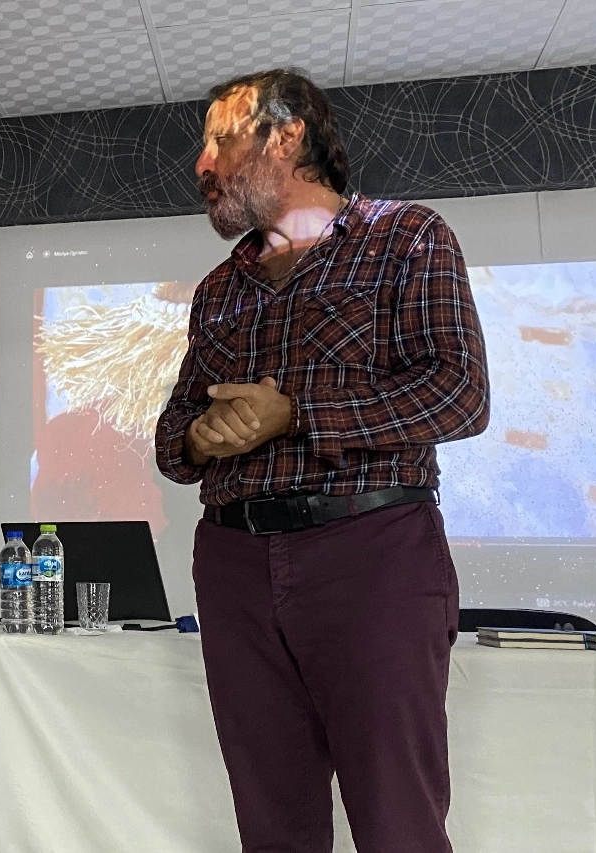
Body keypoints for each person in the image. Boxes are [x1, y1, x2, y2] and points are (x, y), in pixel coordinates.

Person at [154, 69, 489, 853]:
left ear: (287, 135)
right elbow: (174, 436)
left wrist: (298, 414)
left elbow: (460, 393)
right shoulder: (219, 290)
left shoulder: (407, 237)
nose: (202, 163)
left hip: (371, 553)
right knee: (272, 828)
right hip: (233, 562)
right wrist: (204, 436)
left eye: (221, 139)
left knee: (398, 823)